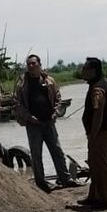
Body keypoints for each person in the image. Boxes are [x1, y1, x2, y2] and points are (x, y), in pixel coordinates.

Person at [13, 54, 78, 193]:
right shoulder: (22, 84)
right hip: (33, 124)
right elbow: (18, 104)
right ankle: (41, 183)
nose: (31, 66)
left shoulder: (49, 81)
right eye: (28, 64)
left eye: (33, 63)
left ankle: (66, 179)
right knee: (36, 154)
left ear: (39, 64)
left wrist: (56, 112)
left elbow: (58, 98)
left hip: (49, 122)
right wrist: (29, 117)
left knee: (57, 151)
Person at [77, 57, 107, 210]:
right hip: (97, 133)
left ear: (93, 71)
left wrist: (93, 136)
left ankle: (106, 199)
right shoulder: (96, 85)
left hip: (100, 133)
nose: (82, 71)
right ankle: (94, 196)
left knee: (101, 167)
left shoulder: (98, 89)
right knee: (95, 165)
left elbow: (98, 114)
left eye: (85, 69)